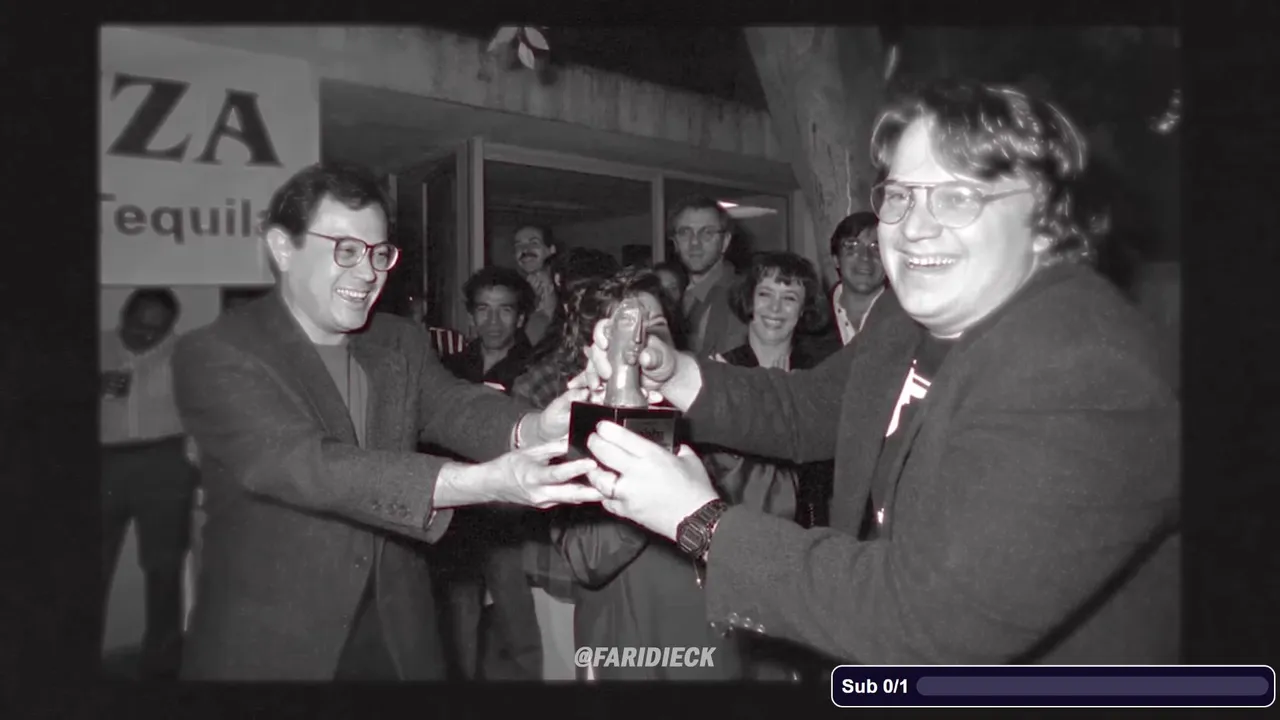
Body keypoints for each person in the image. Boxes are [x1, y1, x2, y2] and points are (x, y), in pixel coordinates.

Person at [576, 80, 1180, 665]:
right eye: (901, 195)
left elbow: (931, 621)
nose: (914, 227)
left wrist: (701, 523)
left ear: (1045, 221)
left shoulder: (1084, 369)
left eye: (957, 196)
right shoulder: (904, 318)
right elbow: (810, 409)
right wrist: (673, 373)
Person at [171, 162, 600, 681]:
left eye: (378, 253)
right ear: (283, 248)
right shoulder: (217, 351)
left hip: (398, 631)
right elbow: (303, 464)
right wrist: (480, 483)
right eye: (345, 250)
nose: (368, 273)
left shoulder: (397, 340)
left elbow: (451, 404)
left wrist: (535, 427)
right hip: (276, 637)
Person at [513, 268, 744, 681]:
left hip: (711, 638)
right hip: (630, 646)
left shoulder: (703, 414)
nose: (642, 344)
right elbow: (587, 558)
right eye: (625, 332)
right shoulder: (578, 430)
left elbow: (766, 507)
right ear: (595, 347)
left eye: (655, 327)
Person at [433, 266, 542, 680]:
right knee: (458, 620)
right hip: (458, 513)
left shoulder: (537, 369)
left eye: (504, 310)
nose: (493, 321)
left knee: (517, 618)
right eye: (483, 309)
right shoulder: (448, 368)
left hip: (509, 517)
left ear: (521, 317)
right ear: (470, 315)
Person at [101, 287, 198, 679]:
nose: (145, 336)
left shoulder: (187, 354)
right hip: (102, 463)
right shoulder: (96, 346)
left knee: (164, 568)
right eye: (139, 326)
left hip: (164, 463)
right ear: (124, 315)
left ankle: (161, 666)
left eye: (157, 331)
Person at [668, 196, 747, 358]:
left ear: (725, 242)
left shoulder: (740, 298)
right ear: (675, 242)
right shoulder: (675, 294)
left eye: (707, 233)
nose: (694, 243)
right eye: (685, 233)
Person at [828, 211, 888, 346]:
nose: (865, 256)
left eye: (876, 247)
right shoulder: (808, 320)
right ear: (836, 259)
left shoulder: (913, 320)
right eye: (852, 247)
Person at [510, 225, 560, 347]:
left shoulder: (565, 285)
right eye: (518, 245)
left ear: (551, 250)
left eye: (534, 243)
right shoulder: (512, 292)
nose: (525, 250)